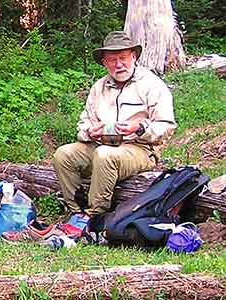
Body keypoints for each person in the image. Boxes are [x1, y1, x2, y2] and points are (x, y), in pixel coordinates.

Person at [52, 31, 177, 238]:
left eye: (123, 58)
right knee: (64, 154)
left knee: (104, 155)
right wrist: (89, 132)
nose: (118, 64)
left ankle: (94, 217)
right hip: (100, 144)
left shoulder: (152, 85)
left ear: (134, 57)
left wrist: (139, 129)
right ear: (104, 62)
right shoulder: (99, 87)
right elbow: (84, 122)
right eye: (112, 60)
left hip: (139, 149)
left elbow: (167, 126)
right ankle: (75, 213)